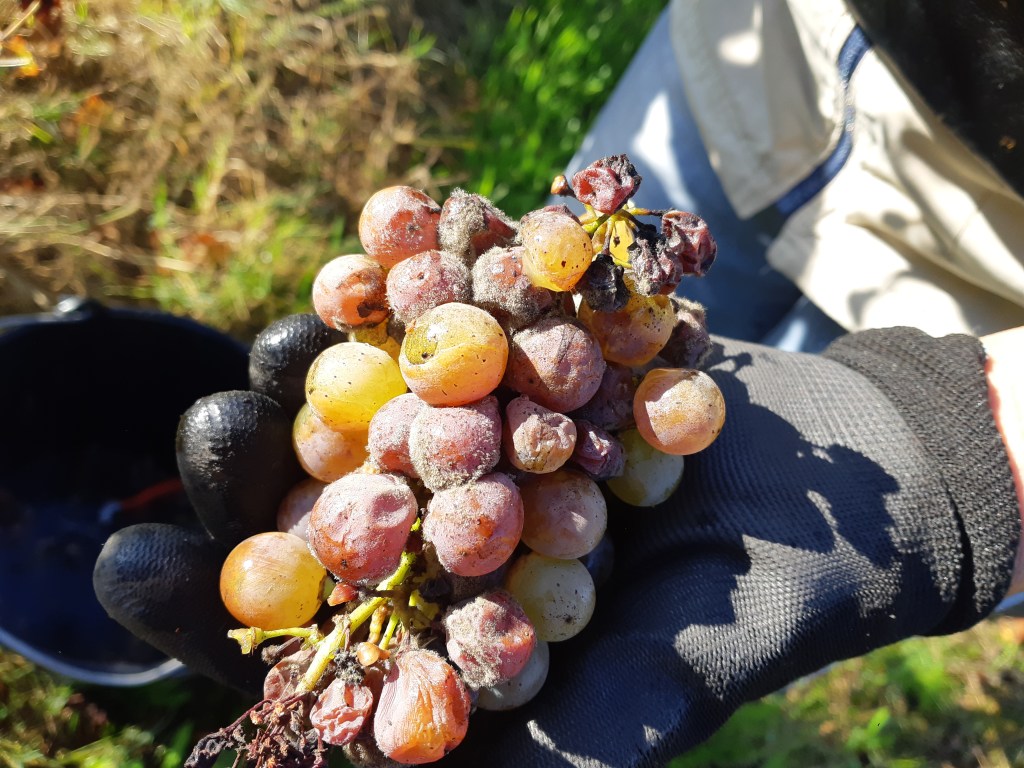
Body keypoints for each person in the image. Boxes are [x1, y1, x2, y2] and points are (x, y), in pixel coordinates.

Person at [91, 1, 1024, 766]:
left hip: (983, 261)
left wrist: (953, 438)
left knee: (684, 376)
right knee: (617, 285)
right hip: (776, 46)